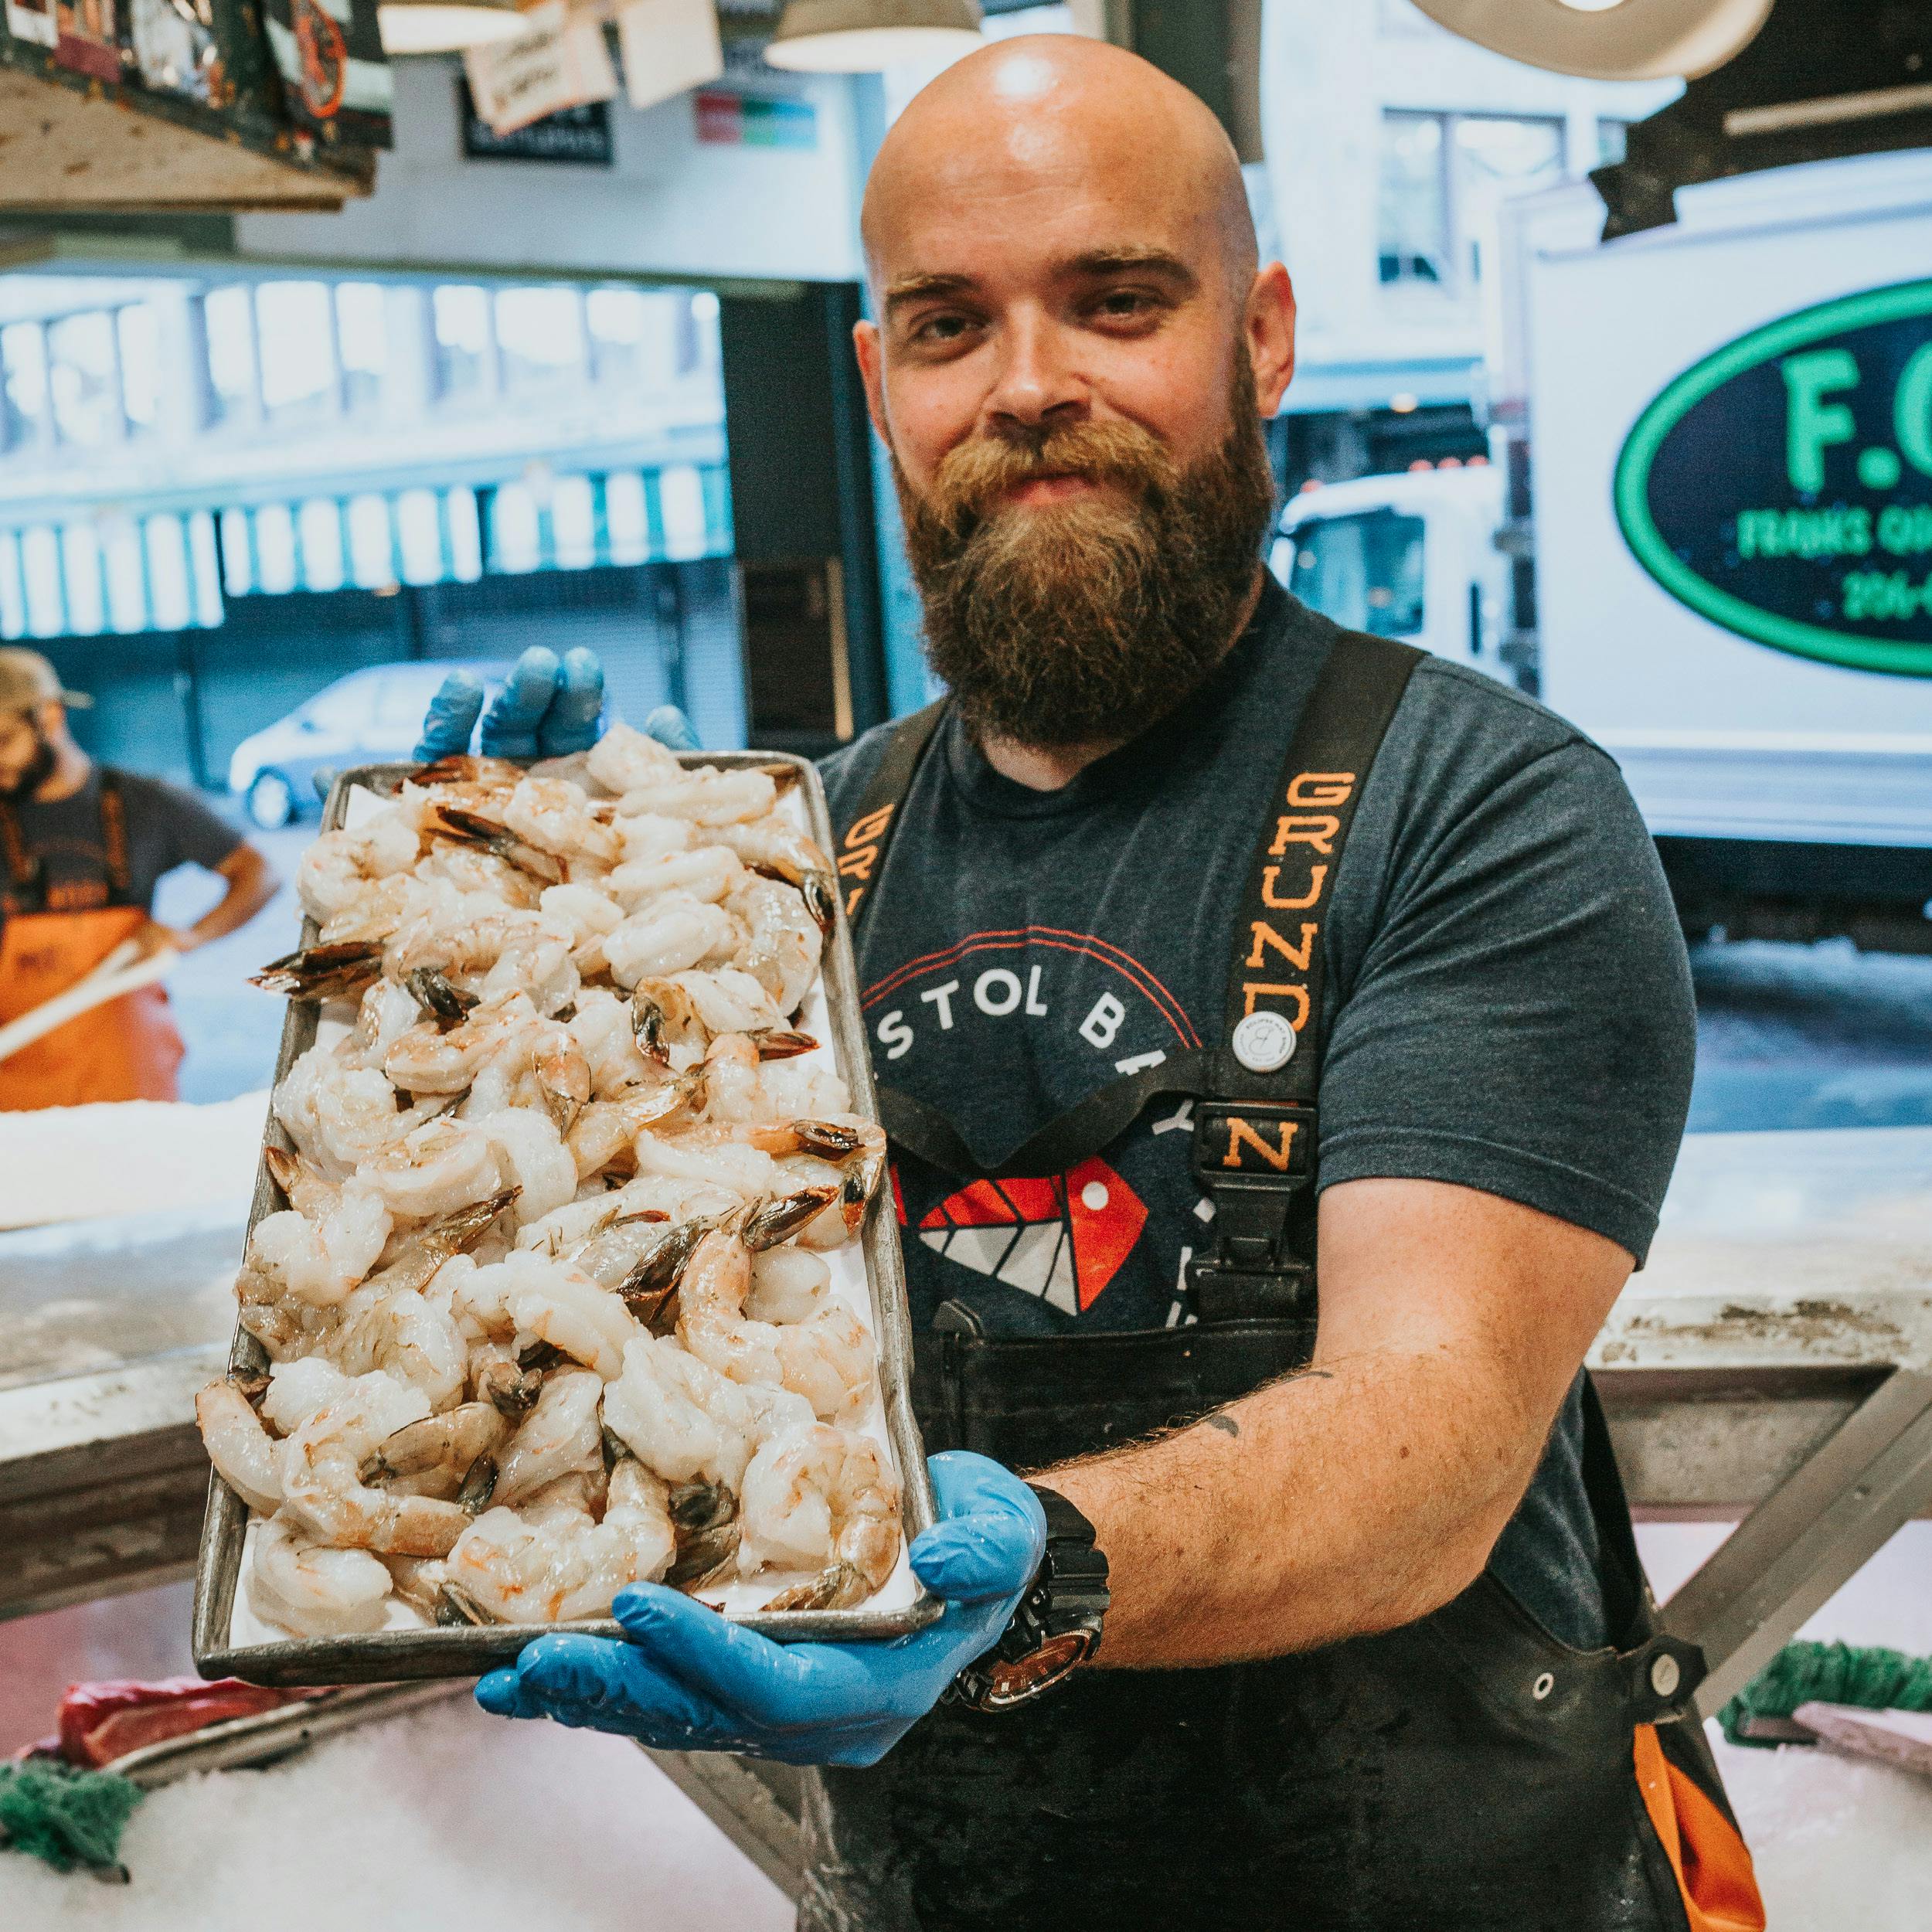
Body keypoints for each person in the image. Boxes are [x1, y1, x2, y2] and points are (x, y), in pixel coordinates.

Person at [418, 38, 1764, 1932]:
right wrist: (501, 945)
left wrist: (1040, 1568)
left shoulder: (1485, 809)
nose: (1032, 385)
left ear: (1264, 336)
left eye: (1116, 302)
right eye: (950, 325)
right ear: (881, 388)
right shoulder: (791, 867)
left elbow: (1434, 1433)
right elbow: (626, 1356)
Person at [0, 648, 277, 1111]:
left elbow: (259, 872)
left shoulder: (142, 802)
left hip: (128, 1078)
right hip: (18, 1086)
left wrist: (191, 934)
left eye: (4, 740)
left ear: (50, 717)